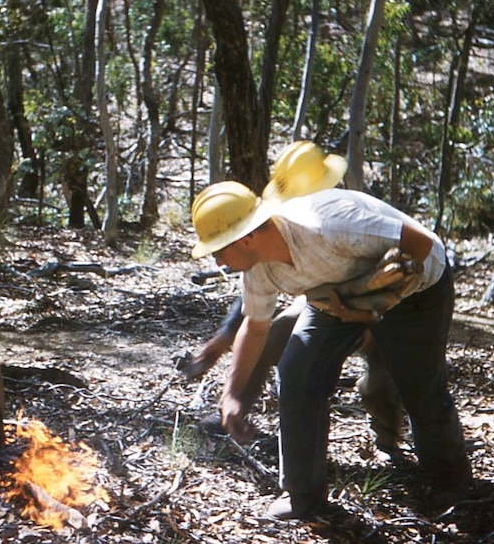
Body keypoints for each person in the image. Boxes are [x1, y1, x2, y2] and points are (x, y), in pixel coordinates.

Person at [189, 143, 472, 519]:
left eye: (219, 250)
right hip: (338, 296)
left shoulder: (329, 225)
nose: (219, 261)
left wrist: (379, 301)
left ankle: (453, 481)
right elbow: (255, 328)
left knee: (418, 385)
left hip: (418, 288)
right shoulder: (258, 267)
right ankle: (303, 495)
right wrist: (233, 395)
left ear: (246, 237)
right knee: (297, 370)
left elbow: (420, 243)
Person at [183, 142, 404, 455]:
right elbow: (256, 304)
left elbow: (401, 268)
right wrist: (223, 343)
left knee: (382, 382)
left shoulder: (352, 220)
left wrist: (367, 314)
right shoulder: (281, 222)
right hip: (324, 301)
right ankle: (232, 417)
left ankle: (390, 439)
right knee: (275, 336)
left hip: (381, 302)